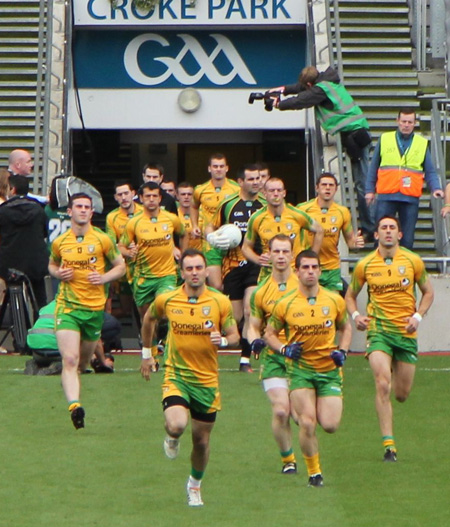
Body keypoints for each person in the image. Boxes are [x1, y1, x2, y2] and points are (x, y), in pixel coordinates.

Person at [140, 248, 239, 507]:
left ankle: (194, 485)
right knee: (176, 424)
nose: (194, 273)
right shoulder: (168, 299)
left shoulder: (220, 302)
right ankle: (171, 437)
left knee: (201, 442)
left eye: (198, 268)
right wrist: (147, 353)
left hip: (206, 381)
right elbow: (149, 318)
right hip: (177, 374)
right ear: (181, 272)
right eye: (189, 269)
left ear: (206, 271)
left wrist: (225, 340)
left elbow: (236, 335)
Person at [345, 215, 434, 462]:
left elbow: (428, 292)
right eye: (383, 228)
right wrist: (355, 315)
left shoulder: (413, 260)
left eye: (392, 228)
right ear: (376, 235)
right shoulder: (365, 265)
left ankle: (394, 366)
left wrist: (417, 316)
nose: (387, 232)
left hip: (405, 333)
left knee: (401, 395)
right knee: (382, 384)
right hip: (379, 331)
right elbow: (350, 294)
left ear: (399, 234)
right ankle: (389, 445)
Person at [265, 249, 352, 487]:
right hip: (300, 370)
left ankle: (306, 414)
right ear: (297, 271)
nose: (310, 272)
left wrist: (342, 351)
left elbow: (346, 328)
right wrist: (284, 349)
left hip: (328, 371)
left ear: (320, 271)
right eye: (305, 267)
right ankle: (314, 473)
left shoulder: (334, 300)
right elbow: (269, 333)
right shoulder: (286, 303)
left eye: (314, 267)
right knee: (307, 422)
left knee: (331, 425)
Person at [48, 193, 126, 429]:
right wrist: (58, 273)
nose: (83, 210)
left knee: (81, 364)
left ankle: (85, 369)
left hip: (93, 311)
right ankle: (75, 406)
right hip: (68, 307)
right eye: (78, 206)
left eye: (87, 207)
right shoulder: (60, 242)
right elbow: (51, 264)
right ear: (70, 212)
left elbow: (121, 266)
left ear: (92, 213)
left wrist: (103, 277)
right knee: (69, 359)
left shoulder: (102, 240)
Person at [269, 65, 374, 239]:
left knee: (362, 186)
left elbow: (301, 100)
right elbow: (302, 89)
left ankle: (370, 228)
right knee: (360, 184)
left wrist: (279, 103)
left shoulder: (320, 90)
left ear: (311, 83)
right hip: (354, 134)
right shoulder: (326, 81)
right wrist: (284, 89)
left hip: (356, 136)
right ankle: (369, 225)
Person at [247, 234, 300, 473]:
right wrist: (255, 341)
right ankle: (288, 460)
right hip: (274, 357)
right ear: (269, 255)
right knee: (281, 410)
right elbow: (253, 325)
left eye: (284, 252)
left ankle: (311, 458)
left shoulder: (303, 285)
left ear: (292, 255)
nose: (280, 256)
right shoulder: (261, 292)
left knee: (300, 417)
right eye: (276, 252)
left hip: (302, 357)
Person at [207, 164, 265, 372]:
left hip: (256, 264)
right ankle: (208, 349)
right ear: (240, 182)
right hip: (232, 265)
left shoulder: (265, 206)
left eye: (258, 178)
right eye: (251, 179)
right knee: (234, 316)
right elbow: (211, 226)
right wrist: (212, 238)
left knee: (250, 311)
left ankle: (245, 360)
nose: (256, 182)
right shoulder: (228, 205)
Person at [365, 108, 444, 249]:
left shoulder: (421, 143)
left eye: (410, 122)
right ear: (398, 121)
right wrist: (369, 190)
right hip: (386, 195)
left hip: (409, 197)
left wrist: (436, 188)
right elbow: (373, 167)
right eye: (403, 121)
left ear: (415, 123)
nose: (406, 125)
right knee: (381, 235)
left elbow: (430, 170)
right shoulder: (385, 139)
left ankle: (405, 268)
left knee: (407, 238)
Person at [120, 182, 186, 321]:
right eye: (148, 196)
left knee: (163, 306)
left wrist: (183, 254)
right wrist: (128, 253)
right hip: (144, 277)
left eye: (154, 196)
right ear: (141, 198)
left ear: (160, 198)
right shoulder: (134, 222)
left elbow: (184, 234)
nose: (151, 199)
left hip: (167, 275)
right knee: (147, 319)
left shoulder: (171, 218)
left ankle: (164, 338)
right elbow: (120, 246)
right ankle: (150, 342)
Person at [242, 177, 323, 282]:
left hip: (294, 273)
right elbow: (246, 248)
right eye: (271, 191)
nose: (276, 194)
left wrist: (311, 257)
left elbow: (319, 230)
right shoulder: (256, 218)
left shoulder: (297, 214)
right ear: (264, 193)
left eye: (279, 190)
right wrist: (258, 259)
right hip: (268, 274)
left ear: (284, 193)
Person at [297, 172, 364, 292]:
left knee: (333, 303)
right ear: (317, 188)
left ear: (336, 189)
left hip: (331, 266)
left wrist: (356, 243)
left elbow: (350, 242)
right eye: (324, 185)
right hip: (308, 266)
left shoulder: (342, 212)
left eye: (331, 185)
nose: (327, 188)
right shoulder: (303, 209)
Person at [25, 300, 119, 375]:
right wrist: (103, 362)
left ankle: (37, 364)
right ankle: (60, 367)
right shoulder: (81, 308)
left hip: (36, 352)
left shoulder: (50, 305)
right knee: (86, 338)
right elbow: (95, 341)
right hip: (58, 353)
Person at [191, 153, 240, 290]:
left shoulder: (236, 189)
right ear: (209, 169)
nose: (218, 169)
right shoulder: (200, 190)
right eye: (215, 166)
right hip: (211, 241)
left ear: (227, 168)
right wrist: (195, 225)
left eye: (221, 166)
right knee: (216, 285)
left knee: (232, 284)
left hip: (232, 241)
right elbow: (194, 207)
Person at [0, 175, 49, 308]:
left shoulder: (3, 211)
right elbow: (44, 232)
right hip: (36, 262)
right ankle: (42, 326)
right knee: (40, 300)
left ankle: (18, 325)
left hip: (10, 264)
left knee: (14, 302)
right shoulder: (39, 210)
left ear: (13, 189)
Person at [106, 181, 143, 317]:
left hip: (144, 268)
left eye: (126, 193)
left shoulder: (144, 211)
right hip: (124, 270)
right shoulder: (111, 217)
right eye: (120, 194)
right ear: (115, 197)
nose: (124, 197)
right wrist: (126, 250)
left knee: (145, 309)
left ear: (133, 194)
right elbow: (111, 245)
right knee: (126, 310)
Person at [176, 182, 202, 251]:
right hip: (180, 255)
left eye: (189, 194)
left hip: (199, 255)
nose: (186, 197)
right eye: (183, 194)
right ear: (177, 196)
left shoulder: (202, 215)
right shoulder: (174, 216)